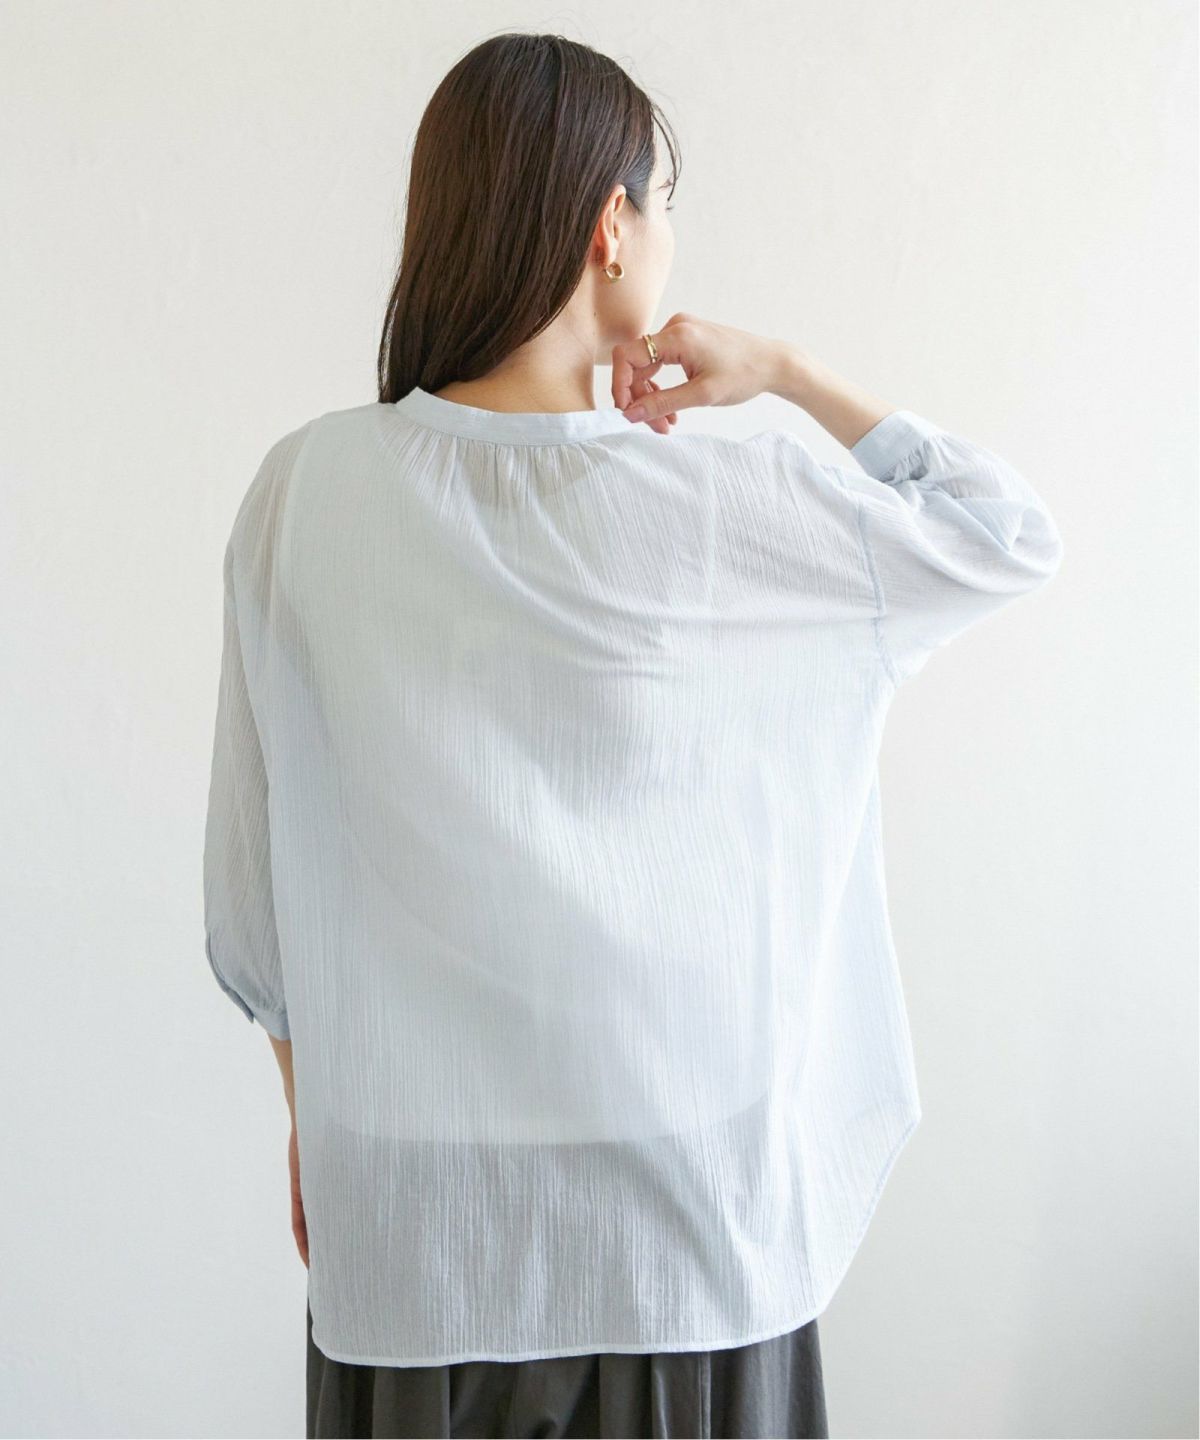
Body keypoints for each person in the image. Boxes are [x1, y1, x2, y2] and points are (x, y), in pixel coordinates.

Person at [201, 31, 1064, 1440]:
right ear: (612, 227)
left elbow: (257, 896)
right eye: (662, 203)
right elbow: (1004, 536)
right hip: (685, 1218)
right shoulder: (721, 507)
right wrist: (784, 369)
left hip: (418, 1222)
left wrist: (319, 1121)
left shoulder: (302, 496)